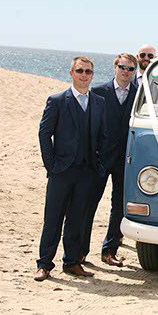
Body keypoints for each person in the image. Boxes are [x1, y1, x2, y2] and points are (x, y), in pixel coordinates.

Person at [34, 57, 107, 281]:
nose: (84, 75)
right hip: (61, 171)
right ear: (71, 73)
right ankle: (44, 264)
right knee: (53, 219)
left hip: (86, 172)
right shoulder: (57, 101)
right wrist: (52, 165)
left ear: (92, 75)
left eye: (88, 72)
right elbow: (44, 134)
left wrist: (98, 165)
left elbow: (103, 137)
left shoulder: (99, 102)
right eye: (79, 71)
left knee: (77, 219)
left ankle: (72, 262)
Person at [81, 53, 138, 266]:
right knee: (88, 204)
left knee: (119, 206)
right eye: (122, 67)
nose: (126, 72)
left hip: (127, 160)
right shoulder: (97, 92)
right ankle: (80, 252)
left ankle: (109, 251)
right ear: (115, 67)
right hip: (100, 159)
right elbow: (88, 127)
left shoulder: (140, 94)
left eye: (130, 69)